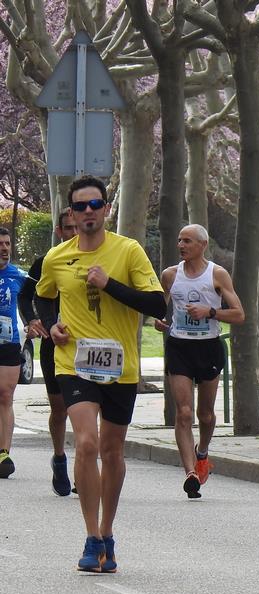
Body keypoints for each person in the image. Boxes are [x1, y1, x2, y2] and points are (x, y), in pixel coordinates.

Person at [35, 175, 167, 573]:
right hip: (74, 364)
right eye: (81, 207)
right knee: (88, 444)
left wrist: (109, 284)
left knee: (111, 451)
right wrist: (50, 325)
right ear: (71, 214)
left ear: (106, 209)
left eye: (96, 205)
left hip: (120, 368)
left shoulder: (129, 252)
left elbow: (157, 305)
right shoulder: (57, 257)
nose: (89, 212)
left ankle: (108, 531)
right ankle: (92, 537)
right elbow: (42, 296)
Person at [154, 225, 245, 498]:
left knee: (205, 414)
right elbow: (161, 308)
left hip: (208, 347)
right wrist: (160, 321)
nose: (181, 245)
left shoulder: (217, 274)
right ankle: (190, 472)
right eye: (179, 240)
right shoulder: (170, 275)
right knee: (183, 412)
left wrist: (211, 311)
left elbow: (239, 314)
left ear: (202, 244)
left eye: (188, 241)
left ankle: (202, 452)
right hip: (179, 347)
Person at [19, 209, 79, 494]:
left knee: (84, 409)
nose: (74, 233)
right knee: (59, 409)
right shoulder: (47, 261)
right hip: (54, 346)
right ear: (59, 231)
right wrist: (32, 319)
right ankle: (59, 457)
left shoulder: (99, 261)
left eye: (77, 228)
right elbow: (25, 295)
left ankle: (84, 467)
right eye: (68, 228)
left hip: (87, 348)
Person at [0, 226, 29, 479]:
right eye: (0, 244)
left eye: (7, 244)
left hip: (9, 342)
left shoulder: (19, 275)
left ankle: (3, 453)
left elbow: (38, 296)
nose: (4, 248)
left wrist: (35, 320)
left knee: (6, 395)